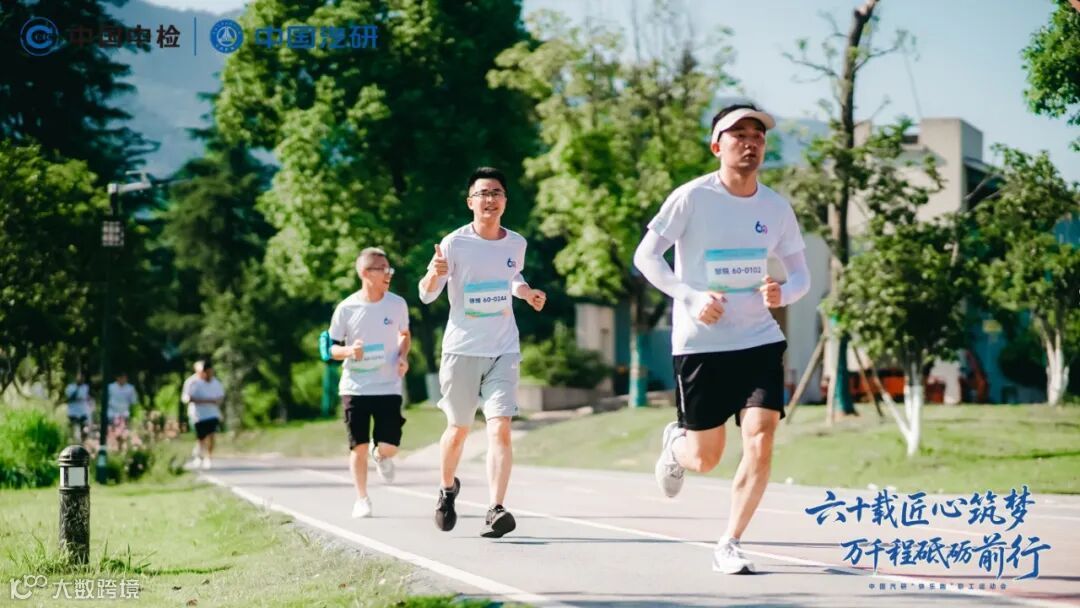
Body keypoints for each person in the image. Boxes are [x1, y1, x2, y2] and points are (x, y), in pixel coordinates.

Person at [632, 103, 811, 573]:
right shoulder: (692, 198)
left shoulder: (775, 207)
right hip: (701, 345)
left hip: (759, 341)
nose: (750, 143)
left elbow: (801, 276)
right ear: (717, 146)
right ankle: (677, 445)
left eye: (758, 135)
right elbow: (646, 256)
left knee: (761, 437)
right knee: (705, 458)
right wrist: (689, 296)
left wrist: (784, 292)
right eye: (739, 135)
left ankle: (730, 542)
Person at [418, 166, 546, 538]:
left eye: (496, 193)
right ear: (470, 202)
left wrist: (526, 292)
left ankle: (495, 508)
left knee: (500, 428)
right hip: (462, 350)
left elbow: (512, 278)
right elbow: (426, 295)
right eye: (482, 194)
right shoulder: (454, 243)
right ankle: (446, 489)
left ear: (505, 200)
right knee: (458, 430)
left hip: (504, 348)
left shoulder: (516, 243)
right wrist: (435, 272)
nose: (490, 199)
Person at [328, 247, 411, 519]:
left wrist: (402, 356)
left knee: (390, 446)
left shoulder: (397, 304)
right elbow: (331, 348)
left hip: (388, 386)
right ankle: (362, 499)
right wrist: (350, 351)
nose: (389, 274)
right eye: (382, 269)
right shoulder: (347, 308)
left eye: (389, 268)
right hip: (355, 387)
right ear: (365, 273)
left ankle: (382, 455)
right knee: (358, 446)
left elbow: (404, 334)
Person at [182, 361, 225, 470]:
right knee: (201, 438)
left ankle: (208, 457)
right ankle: (198, 455)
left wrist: (209, 401)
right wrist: (206, 401)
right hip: (197, 415)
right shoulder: (192, 382)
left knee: (211, 435)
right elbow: (187, 398)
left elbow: (220, 398)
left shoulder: (216, 383)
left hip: (212, 414)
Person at [64, 373, 93, 443]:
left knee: (84, 426)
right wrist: (77, 389)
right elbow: (70, 398)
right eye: (80, 378)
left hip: (83, 411)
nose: (81, 380)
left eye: (82, 379)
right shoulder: (70, 387)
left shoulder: (86, 387)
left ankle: (83, 442)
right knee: (73, 426)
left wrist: (90, 404)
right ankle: (72, 440)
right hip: (73, 411)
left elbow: (87, 397)